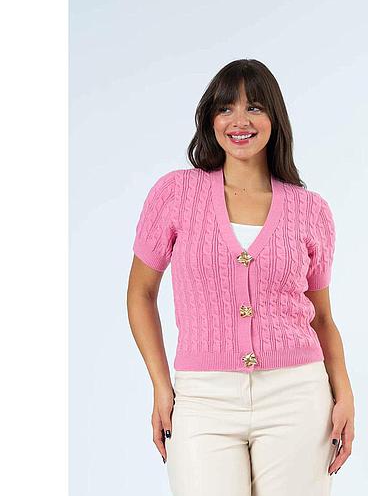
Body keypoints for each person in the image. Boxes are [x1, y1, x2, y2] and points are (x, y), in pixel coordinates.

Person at [127, 59, 355, 495]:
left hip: (297, 395)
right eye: (225, 108)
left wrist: (344, 394)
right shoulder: (176, 194)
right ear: (210, 119)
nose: (239, 121)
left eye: (254, 107)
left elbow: (322, 318)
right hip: (202, 397)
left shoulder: (311, 210)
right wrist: (161, 386)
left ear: (274, 117)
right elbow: (140, 293)